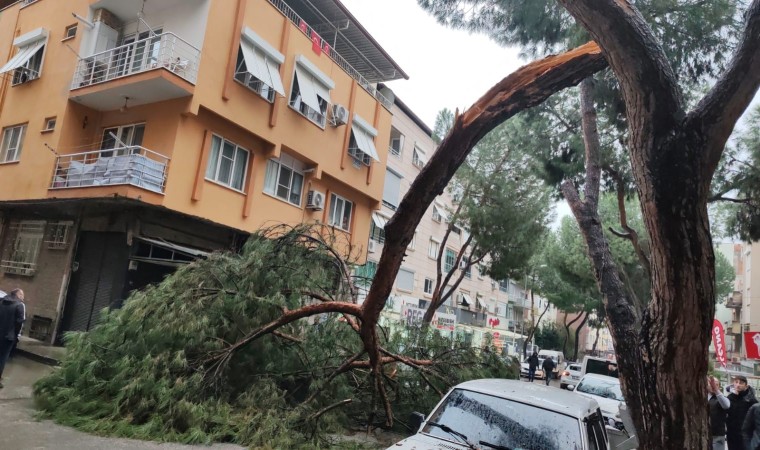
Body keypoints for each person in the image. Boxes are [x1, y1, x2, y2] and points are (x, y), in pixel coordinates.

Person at [0, 288, 25, 389]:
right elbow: (19, 322)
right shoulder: (19, 305)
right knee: (2, 358)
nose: (23, 297)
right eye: (22, 294)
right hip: (8, 337)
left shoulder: (1, 302)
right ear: (18, 295)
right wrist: (15, 335)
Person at [728, 375, 758, 450]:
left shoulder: (751, 400)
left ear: (746, 386)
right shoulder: (730, 398)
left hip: (745, 436)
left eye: (741, 383)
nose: (738, 385)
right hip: (732, 433)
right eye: (736, 382)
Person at [708, 375, 730, 450]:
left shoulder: (720, 398)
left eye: (716, 384)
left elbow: (726, 405)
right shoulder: (703, 397)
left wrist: (716, 391)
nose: (713, 386)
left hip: (717, 435)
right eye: (711, 384)